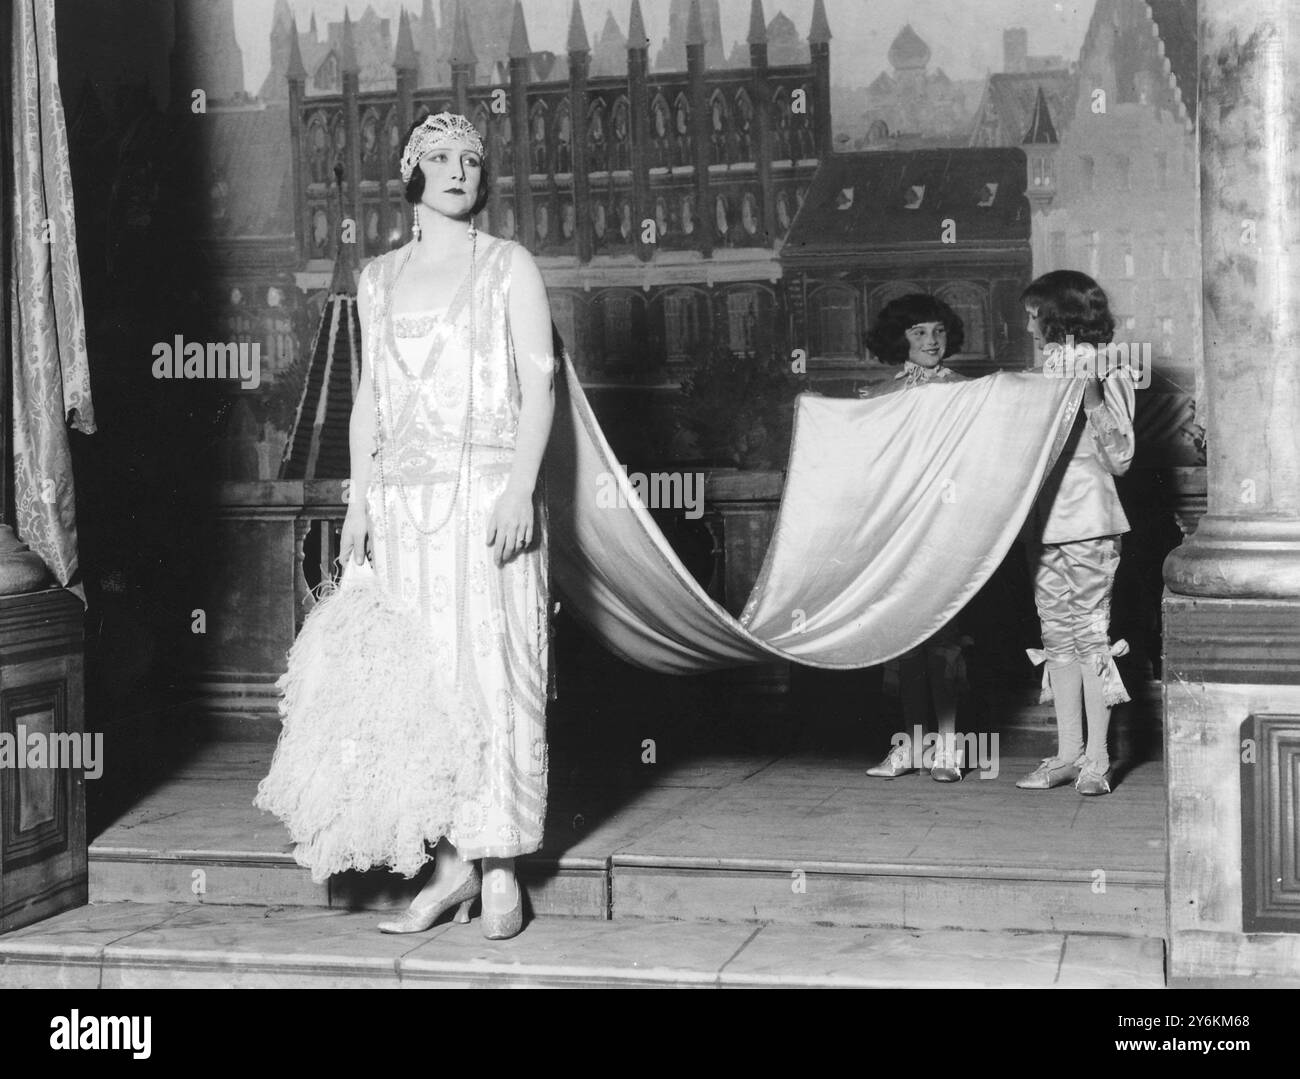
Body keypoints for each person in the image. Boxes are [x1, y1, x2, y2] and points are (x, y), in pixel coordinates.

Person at [343, 112, 556, 936]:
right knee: (426, 687)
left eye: (472, 158)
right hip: (404, 511)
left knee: (494, 676)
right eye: (441, 156)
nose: (460, 168)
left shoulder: (510, 267)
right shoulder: (377, 277)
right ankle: (449, 865)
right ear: (413, 174)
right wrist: (360, 500)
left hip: (486, 501)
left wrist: (521, 486)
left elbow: (538, 387)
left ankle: (500, 864)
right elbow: (368, 402)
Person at [1016, 270, 1135, 796]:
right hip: (1040, 524)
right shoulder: (1036, 374)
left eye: (1032, 313)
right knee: (1055, 636)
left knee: (1090, 635)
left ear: (1056, 313)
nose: (1027, 325)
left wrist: (1090, 399)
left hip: (1091, 521)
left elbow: (1122, 458)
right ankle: (1065, 754)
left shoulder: (1113, 368)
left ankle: (1098, 760)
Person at [860, 294, 972, 782]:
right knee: (905, 641)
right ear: (899, 339)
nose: (931, 341)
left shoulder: (970, 393)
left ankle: (948, 748)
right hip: (900, 530)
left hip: (950, 527)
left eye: (938, 331)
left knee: (945, 640)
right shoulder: (879, 396)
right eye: (918, 332)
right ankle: (911, 745)